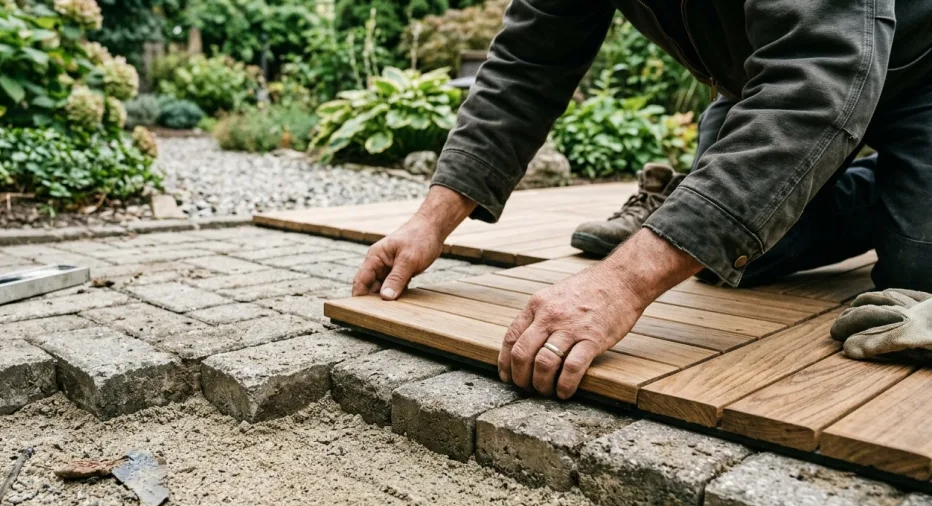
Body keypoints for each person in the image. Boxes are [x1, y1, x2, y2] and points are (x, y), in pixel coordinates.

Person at [352, 0, 932, 401]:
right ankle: (872, 191)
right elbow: (528, 62)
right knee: (734, 250)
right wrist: (431, 220)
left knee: (915, 275)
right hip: (765, 91)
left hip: (915, 77)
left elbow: (819, 75)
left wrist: (621, 284)